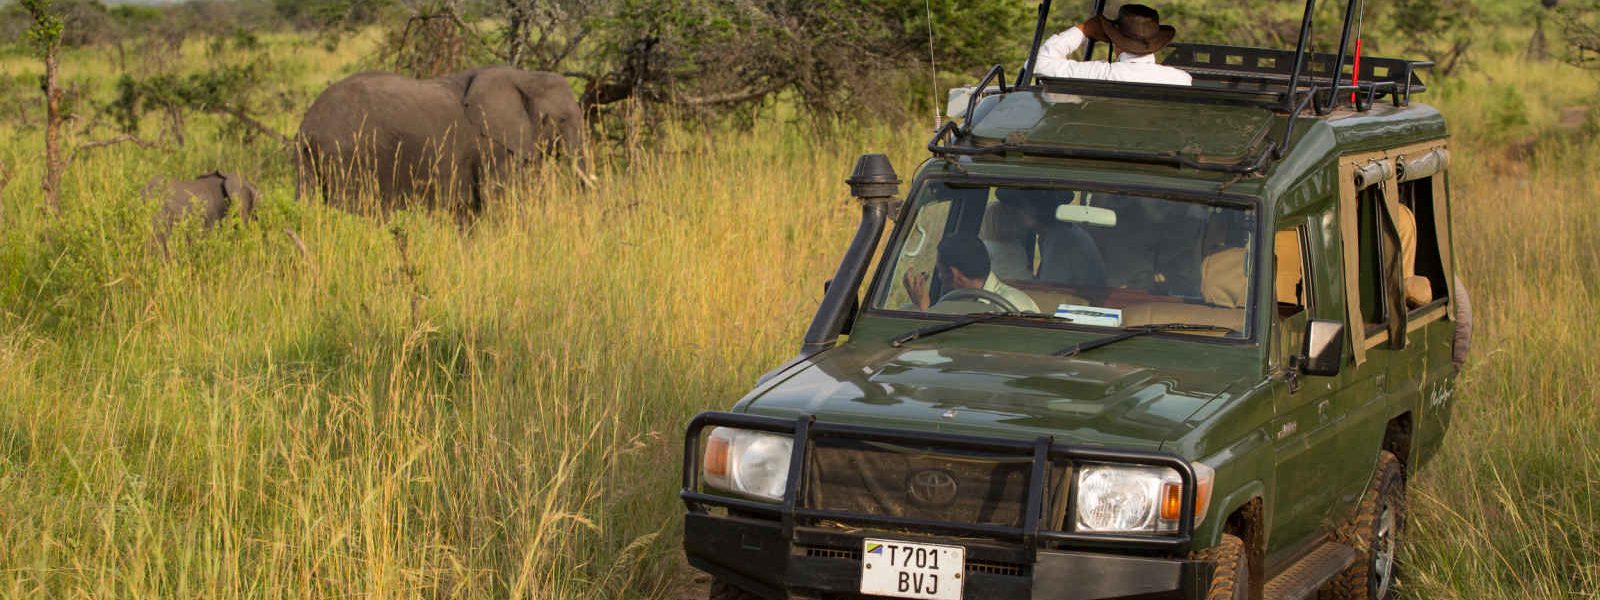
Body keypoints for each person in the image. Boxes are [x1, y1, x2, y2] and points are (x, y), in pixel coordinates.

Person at [1033, 4, 1192, 86]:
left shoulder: (1099, 74)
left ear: (1116, 41)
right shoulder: (1180, 79)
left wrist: (1083, 29)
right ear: (1157, 44)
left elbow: (1036, 64)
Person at [984, 189, 1107, 290]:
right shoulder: (1056, 235)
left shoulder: (1061, 241)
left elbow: (1047, 290)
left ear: (1033, 211)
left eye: (1019, 206)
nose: (1014, 212)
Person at [904, 235, 1040, 314]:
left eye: (940, 271)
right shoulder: (954, 303)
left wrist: (922, 308)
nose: (939, 277)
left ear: (953, 273)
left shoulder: (1013, 307)